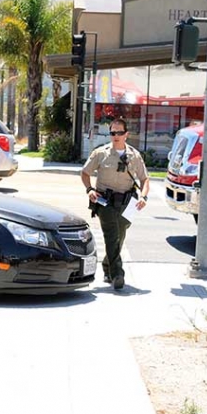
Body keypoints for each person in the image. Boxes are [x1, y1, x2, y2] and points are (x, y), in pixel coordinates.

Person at [80, 117, 150, 290]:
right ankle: (118, 274)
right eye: (112, 133)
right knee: (111, 236)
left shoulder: (134, 155)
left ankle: (107, 266)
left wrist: (143, 197)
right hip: (105, 201)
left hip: (129, 202)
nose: (116, 136)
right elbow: (85, 172)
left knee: (120, 236)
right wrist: (89, 189)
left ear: (126, 134)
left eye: (119, 132)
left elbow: (144, 178)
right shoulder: (100, 153)